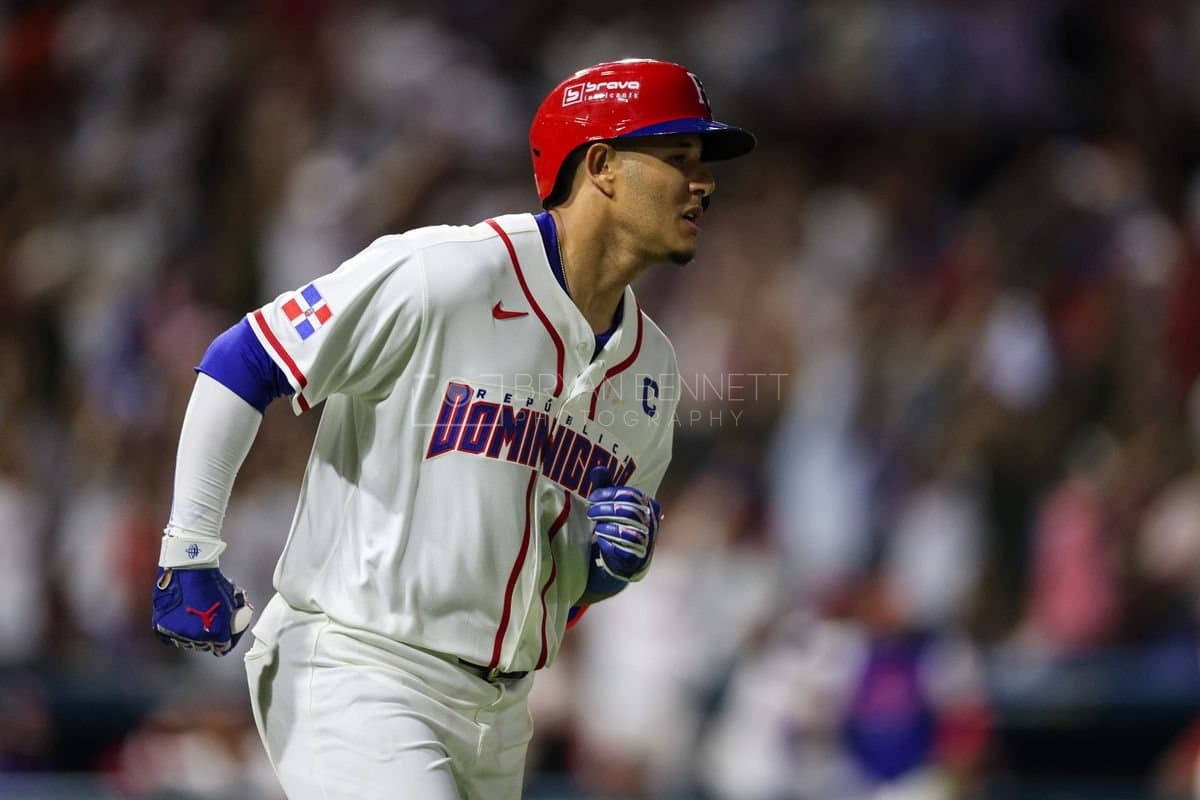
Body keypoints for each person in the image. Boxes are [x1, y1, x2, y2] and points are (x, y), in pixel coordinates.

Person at [150, 57, 754, 799]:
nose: (703, 182)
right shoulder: (449, 273)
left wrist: (603, 570)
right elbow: (241, 357)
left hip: (500, 714)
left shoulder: (652, 370)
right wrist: (189, 547)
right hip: (359, 666)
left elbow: (557, 588)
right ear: (600, 165)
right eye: (679, 158)